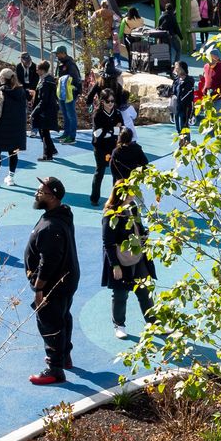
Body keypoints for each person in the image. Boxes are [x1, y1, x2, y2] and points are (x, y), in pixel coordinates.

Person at [24, 177, 79, 385]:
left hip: (53, 285)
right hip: (66, 280)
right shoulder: (61, 214)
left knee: (50, 323)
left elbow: (49, 262)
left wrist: (39, 289)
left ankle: (54, 369)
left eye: (41, 192)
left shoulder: (51, 227)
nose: (37, 194)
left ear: (53, 197)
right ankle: (65, 356)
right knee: (63, 316)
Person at [102, 194, 154, 340]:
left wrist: (144, 235)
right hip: (121, 258)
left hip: (138, 256)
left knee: (144, 290)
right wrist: (115, 266)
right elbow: (108, 243)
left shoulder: (132, 207)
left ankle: (153, 323)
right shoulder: (110, 214)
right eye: (129, 195)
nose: (132, 197)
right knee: (120, 294)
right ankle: (119, 325)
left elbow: (139, 227)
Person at [0, 67, 29, 188]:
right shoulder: (21, 92)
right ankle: (10, 177)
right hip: (17, 128)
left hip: (2, 127)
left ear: (2, 78)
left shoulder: (0, 93)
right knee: (13, 153)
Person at [87, 86, 124, 205]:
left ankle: (115, 199)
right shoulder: (97, 114)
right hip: (100, 147)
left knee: (116, 173)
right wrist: (113, 130)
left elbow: (121, 129)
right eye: (108, 101)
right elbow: (98, 134)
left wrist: (108, 131)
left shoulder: (117, 113)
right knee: (100, 171)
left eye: (113, 101)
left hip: (114, 146)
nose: (111, 104)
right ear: (102, 101)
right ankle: (94, 198)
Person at [32, 61, 60, 161]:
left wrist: (35, 111)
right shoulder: (47, 80)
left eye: (37, 69)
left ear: (42, 70)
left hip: (45, 111)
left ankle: (47, 155)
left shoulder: (45, 82)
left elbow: (44, 100)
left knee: (44, 132)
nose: (36, 70)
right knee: (43, 131)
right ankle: (51, 150)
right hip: (47, 109)